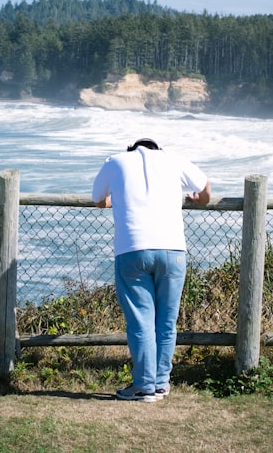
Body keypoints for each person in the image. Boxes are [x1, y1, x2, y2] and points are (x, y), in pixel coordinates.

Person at [92, 137, 211, 402]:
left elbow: (97, 198)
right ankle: (161, 383)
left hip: (132, 249)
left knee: (141, 320)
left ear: (131, 150)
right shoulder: (174, 159)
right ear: (158, 150)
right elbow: (205, 189)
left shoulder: (116, 161)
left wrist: (111, 202)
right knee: (166, 322)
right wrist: (198, 200)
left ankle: (144, 386)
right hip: (173, 251)